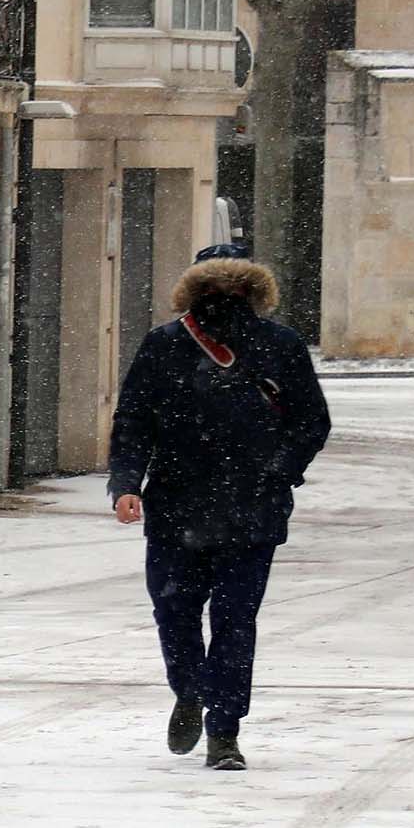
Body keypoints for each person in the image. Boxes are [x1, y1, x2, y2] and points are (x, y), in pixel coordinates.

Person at [108, 248, 331, 770]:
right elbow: (135, 420)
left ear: (253, 295)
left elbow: (311, 422)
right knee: (175, 612)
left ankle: (224, 730)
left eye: (234, 293)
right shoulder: (166, 345)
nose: (223, 303)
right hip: (178, 504)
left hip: (252, 509)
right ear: (195, 295)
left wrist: (277, 470)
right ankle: (190, 691)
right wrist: (125, 483)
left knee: (234, 620)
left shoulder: (281, 345)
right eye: (213, 293)